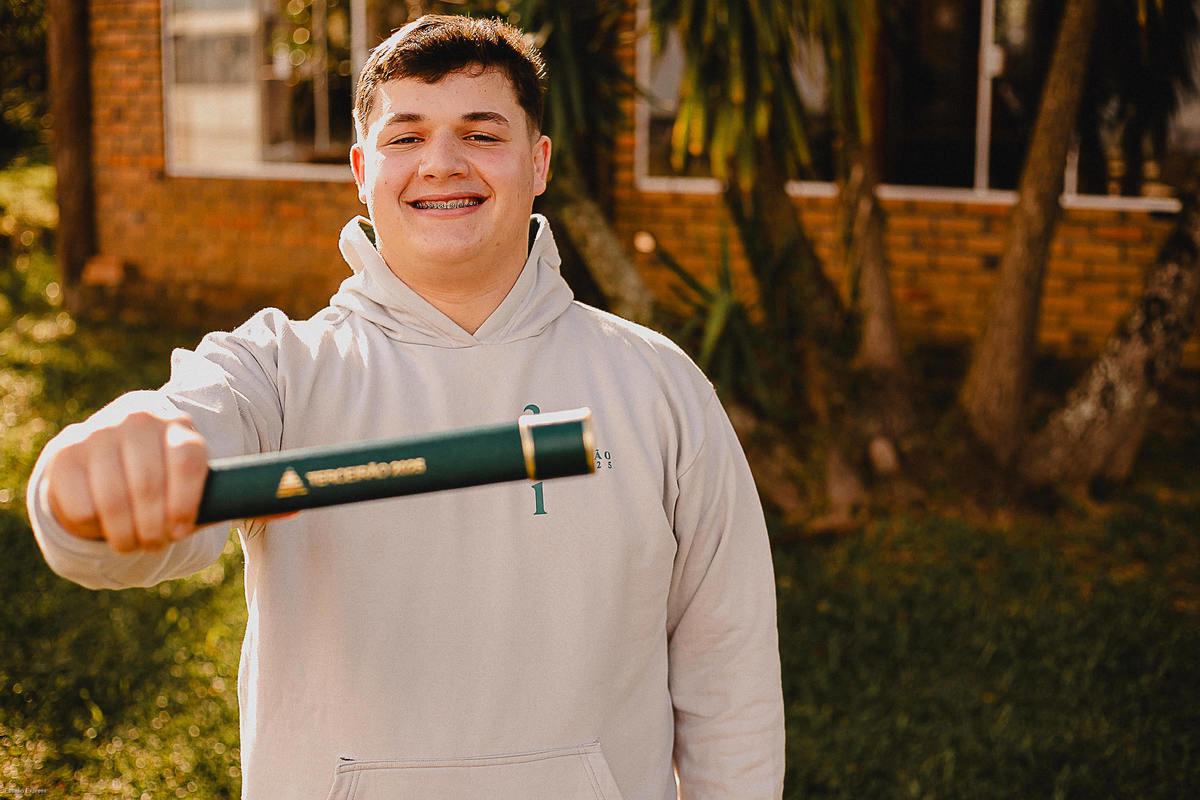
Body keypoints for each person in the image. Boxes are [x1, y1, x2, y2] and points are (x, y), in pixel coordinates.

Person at [28, 15, 785, 800]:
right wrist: (87, 482)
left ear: (538, 163)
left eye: (481, 134)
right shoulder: (277, 371)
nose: (442, 163)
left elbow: (730, 682)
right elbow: (155, 486)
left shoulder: (659, 385)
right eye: (406, 137)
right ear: (362, 169)